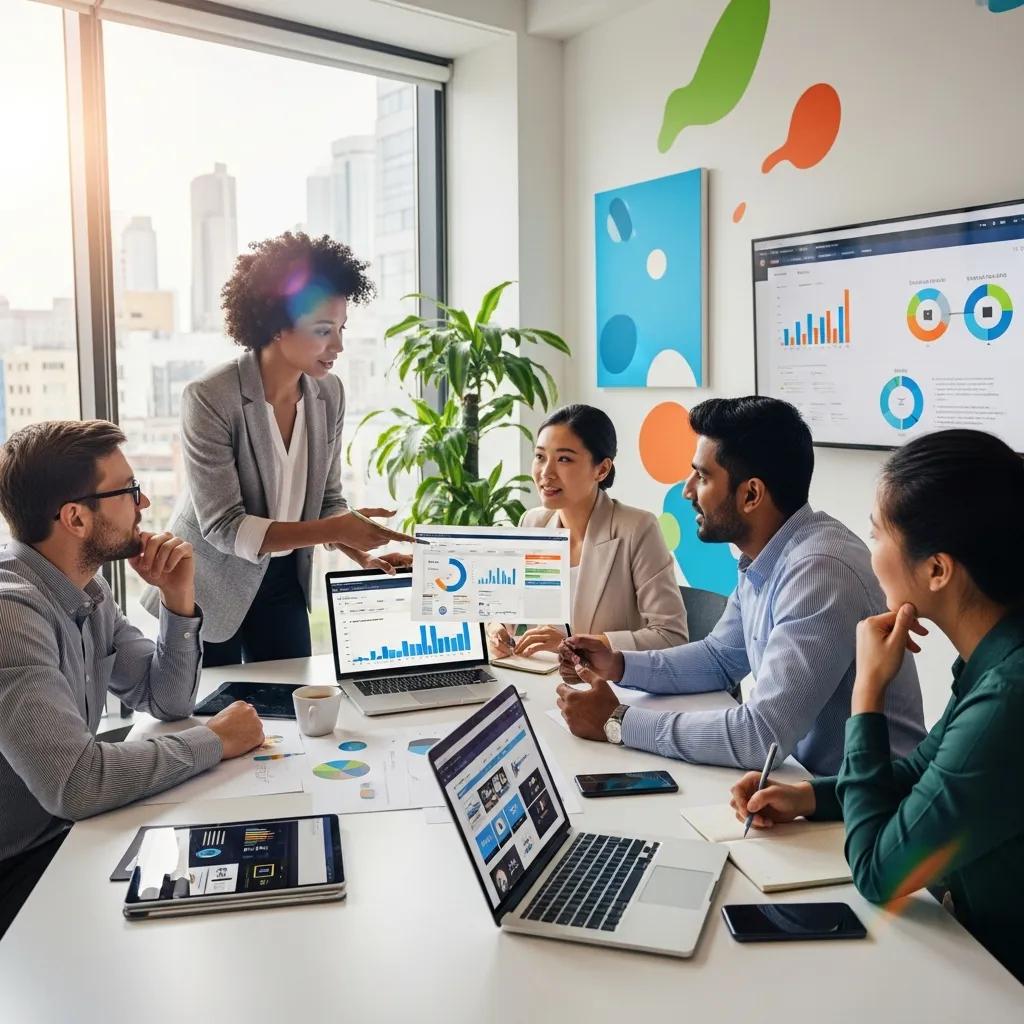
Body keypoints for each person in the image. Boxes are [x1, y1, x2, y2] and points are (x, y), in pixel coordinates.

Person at [729, 429, 1024, 983]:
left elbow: (877, 870)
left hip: (994, 978)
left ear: (937, 569)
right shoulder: (997, 655)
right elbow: (924, 773)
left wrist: (868, 692)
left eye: (875, 533)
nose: (868, 552)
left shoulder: (1009, 696)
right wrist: (811, 796)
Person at [556, 396, 925, 775]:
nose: (687, 491)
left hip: (864, 810)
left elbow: (759, 737)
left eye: (702, 476)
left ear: (751, 494)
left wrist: (618, 721)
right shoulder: (770, 552)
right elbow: (720, 658)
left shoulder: (819, 572)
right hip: (807, 789)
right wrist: (617, 663)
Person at [0, 420, 265, 939]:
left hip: (69, 835)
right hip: (21, 864)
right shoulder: (12, 612)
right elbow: (73, 784)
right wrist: (214, 740)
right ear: (76, 517)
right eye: (128, 491)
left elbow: (164, 699)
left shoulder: (87, 591)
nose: (142, 505)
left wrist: (178, 598)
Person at [142, 232, 414, 666]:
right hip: (209, 582)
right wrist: (338, 530)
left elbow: (327, 498)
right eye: (324, 330)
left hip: (285, 576)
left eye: (341, 329)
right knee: (217, 717)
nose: (339, 346)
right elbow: (225, 527)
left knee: (291, 705)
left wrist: (359, 552)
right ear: (276, 325)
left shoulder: (330, 395)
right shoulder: (210, 396)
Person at [487, 404, 687, 661]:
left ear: (601, 469)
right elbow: (507, 608)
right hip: (544, 677)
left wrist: (574, 645)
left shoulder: (637, 528)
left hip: (610, 687)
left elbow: (671, 637)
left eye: (564, 459)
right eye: (540, 457)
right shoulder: (533, 523)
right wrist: (499, 629)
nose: (546, 473)